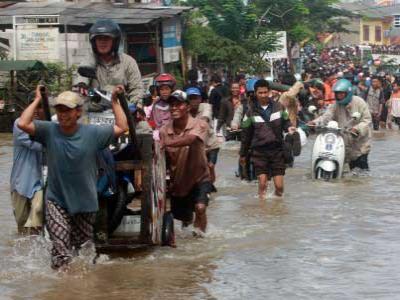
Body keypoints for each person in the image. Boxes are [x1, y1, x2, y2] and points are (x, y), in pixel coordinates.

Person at [17, 86, 128, 270]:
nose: (62, 114)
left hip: (85, 202)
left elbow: (122, 127)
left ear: (78, 112)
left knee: (82, 252)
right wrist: (37, 99)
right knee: (61, 251)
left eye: (67, 110)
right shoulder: (48, 130)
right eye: (59, 110)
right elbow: (23, 123)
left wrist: (115, 101)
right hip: (56, 200)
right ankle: (62, 289)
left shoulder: (92, 133)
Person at [160, 91, 212, 235]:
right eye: (171, 105)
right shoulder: (164, 131)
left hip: (200, 177)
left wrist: (167, 143)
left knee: (200, 208)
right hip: (179, 182)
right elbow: (163, 159)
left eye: (178, 104)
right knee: (184, 222)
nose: (174, 108)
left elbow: (190, 140)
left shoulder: (200, 124)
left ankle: (202, 238)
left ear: (187, 107)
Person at [240, 80, 297, 199]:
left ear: (269, 92)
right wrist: (243, 154)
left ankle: (276, 209)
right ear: (255, 93)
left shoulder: (279, 107)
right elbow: (246, 135)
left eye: (265, 92)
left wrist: (290, 128)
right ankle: (263, 210)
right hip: (259, 152)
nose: (263, 95)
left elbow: (286, 122)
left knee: (279, 187)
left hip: (277, 150)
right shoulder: (250, 112)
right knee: (262, 184)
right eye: (260, 93)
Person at [75, 19, 144, 105]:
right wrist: (90, 93)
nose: (102, 42)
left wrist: (136, 105)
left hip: (122, 109)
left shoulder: (128, 62)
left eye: (106, 38)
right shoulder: (88, 61)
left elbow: (137, 88)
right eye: (99, 39)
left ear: (115, 41)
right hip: (95, 111)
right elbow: (82, 87)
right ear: (94, 42)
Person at [309, 79, 372, 173]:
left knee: (360, 173)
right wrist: (315, 122)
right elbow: (326, 117)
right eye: (337, 94)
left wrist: (357, 129)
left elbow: (367, 121)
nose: (339, 96)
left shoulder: (359, 102)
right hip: (343, 143)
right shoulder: (335, 105)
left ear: (348, 93)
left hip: (359, 145)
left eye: (341, 94)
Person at [10, 95, 45, 235]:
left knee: (37, 220)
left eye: (40, 107)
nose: (36, 110)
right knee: (22, 228)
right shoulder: (19, 124)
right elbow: (39, 146)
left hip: (40, 183)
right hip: (20, 183)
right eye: (33, 106)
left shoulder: (48, 128)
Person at [187, 87, 220, 191]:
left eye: (195, 98)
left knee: (210, 166)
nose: (193, 101)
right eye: (191, 98)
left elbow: (205, 120)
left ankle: (211, 183)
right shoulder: (185, 111)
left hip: (211, 144)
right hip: (197, 146)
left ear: (200, 99)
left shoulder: (206, 107)